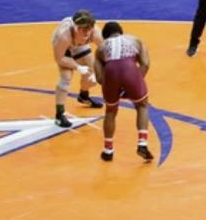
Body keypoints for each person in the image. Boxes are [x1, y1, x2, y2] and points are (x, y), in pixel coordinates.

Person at [95, 21, 154, 163]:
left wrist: (115, 89)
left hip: (110, 72)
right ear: (121, 32)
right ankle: (142, 143)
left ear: (105, 37)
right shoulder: (135, 40)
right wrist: (134, 84)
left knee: (110, 111)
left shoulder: (101, 48)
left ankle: (108, 150)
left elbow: (99, 78)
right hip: (130, 70)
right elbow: (145, 64)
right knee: (142, 105)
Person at [49, 11, 99, 129]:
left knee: (94, 73)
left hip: (79, 44)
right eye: (83, 29)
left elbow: (106, 51)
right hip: (64, 47)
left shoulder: (95, 33)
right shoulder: (64, 36)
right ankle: (59, 114)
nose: (86, 32)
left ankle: (83, 95)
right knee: (66, 77)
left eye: (89, 28)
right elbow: (60, 58)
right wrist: (77, 67)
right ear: (75, 27)